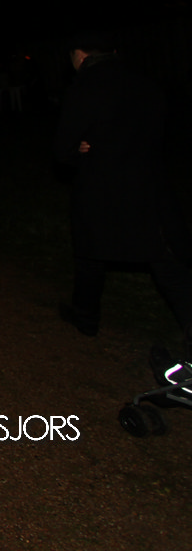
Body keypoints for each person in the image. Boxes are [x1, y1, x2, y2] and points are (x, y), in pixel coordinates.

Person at [53, 34, 192, 355]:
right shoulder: (146, 84)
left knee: (90, 253)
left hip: (102, 187)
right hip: (148, 185)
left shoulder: (85, 87)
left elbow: (62, 149)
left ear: (79, 55)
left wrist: (79, 151)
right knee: (165, 260)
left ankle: (86, 319)